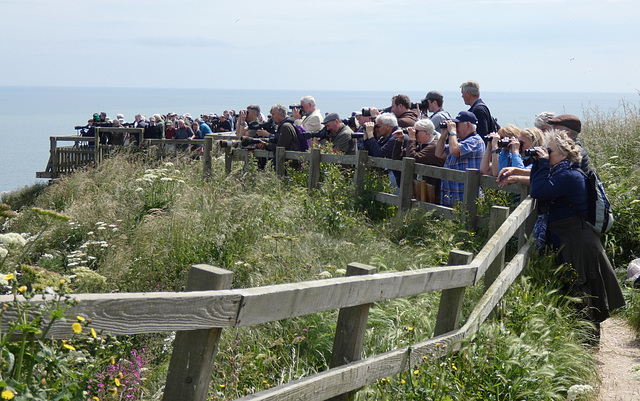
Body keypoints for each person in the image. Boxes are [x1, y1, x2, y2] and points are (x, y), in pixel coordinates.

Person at [529, 129, 625, 338]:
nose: (546, 153)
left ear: (564, 154)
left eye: (549, 151)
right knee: (576, 288)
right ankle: (582, 339)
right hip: (570, 238)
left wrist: (542, 164)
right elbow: (536, 184)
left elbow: (538, 191)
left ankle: (587, 342)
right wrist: (539, 162)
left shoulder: (570, 175)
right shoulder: (560, 172)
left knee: (583, 288)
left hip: (577, 241)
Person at [435, 111, 486, 206]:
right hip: (450, 197)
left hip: (465, 199)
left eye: (457, 124)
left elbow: (455, 151)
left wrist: (452, 132)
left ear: (468, 125)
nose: (455, 127)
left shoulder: (476, 141)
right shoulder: (457, 142)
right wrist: (443, 135)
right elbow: (439, 153)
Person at [392, 119, 445, 203]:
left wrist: (412, 138)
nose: (414, 134)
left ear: (427, 133)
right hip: (422, 189)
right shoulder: (420, 145)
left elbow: (412, 159)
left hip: (434, 191)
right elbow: (397, 158)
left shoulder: (434, 146)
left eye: (416, 131)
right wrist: (400, 140)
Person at [363, 113, 407, 187]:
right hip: (393, 175)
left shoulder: (397, 136)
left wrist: (370, 134)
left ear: (388, 126)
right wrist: (366, 136)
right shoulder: (384, 137)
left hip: (399, 177)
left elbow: (380, 154)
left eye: (378, 126)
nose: (376, 129)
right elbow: (371, 152)